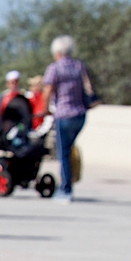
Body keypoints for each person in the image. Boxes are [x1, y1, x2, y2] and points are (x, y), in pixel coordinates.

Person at [42, 35, 94, 201]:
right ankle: (70, 180)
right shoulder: (79, 66)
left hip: (63, 115)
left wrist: (43, 111)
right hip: (80, 115)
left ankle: (65, 189)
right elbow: (89, 88)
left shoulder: (55, 68)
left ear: (57, 52)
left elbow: (47, 91)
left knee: (63, 153)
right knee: (70, 150)